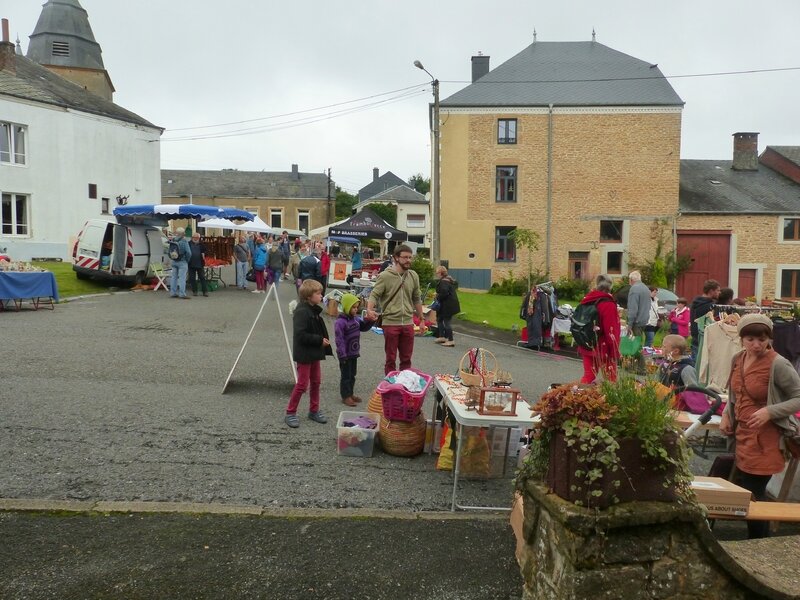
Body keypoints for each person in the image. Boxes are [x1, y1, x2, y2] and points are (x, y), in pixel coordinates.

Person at [719, 314, 800, 539]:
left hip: (766, 438)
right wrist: (727, 413)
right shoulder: (737, 359)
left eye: (762, 339)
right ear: (742, 338)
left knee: (753, 493)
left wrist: (769, 411)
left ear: (769, 339)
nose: (756, 345)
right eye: (751, 339)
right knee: (747, 490)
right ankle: (754, 541)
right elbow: (734, 393)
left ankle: (757, 543)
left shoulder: (778, 364)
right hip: (742, 434)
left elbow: (798, 397)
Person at [366, 244, 426, 375]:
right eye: (405, 257)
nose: (408, 260)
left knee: (406, 360)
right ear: (396, 258)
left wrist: (421, 320)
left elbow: (416, 298)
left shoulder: (413, 276)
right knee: (391, 359)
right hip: (391, 323)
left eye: (410, 257)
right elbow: (374, 294)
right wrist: (369, 310)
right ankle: (390, 387)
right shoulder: (385, 276)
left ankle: (404, 386)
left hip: (408, 323)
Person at [285, 279, 332, 428]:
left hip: (314, 353)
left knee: (316, 382)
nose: (321, 295)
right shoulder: (302, 312)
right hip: (305, 354)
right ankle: (290, 412)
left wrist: (320, 342)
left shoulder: (313, 309)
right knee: (302, 385)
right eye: (318, 293)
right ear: (308, 296)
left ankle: (314, 410)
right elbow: (300, 335)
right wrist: (319, 340)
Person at [577, 274, 620, 384]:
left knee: (588, 376)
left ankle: (576, 396)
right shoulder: (608, 304)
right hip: (603, 347)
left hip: (586, 342)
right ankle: (608, 401)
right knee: (611, 380)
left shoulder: (587, 300)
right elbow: (611, 331)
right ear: (610, 287)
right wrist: (615, 351)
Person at [334, 293, 375, 407]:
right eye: (353, 307)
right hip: (345, 354)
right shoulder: (340, 322)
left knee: (352, 374)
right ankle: (345, 396)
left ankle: (350, 393)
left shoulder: (356, 320)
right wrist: (342, 354)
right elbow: (339, 340)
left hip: (354, 353)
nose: (356, 309)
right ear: (346, 307)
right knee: (346, 376)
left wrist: (370, 321)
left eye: (357, 307)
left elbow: (364, 327)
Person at [690, 279, 721, 358]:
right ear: (711, 291)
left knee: (695, 367)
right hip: (705, 340)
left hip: (695, 338)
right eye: (717, 290)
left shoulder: (695, 303)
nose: (719, 293)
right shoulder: (711, 306)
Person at [626, 271, 650, 371]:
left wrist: (629, 324)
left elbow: (633, 308)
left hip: (637, 320)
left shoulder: (634, 289)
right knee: (636, 342)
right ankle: (632, 365)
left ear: (631, 280)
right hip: (644, 319)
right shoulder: (645, 288)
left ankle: (641, 368)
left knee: (635, 343)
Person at [434, 265, 460, 347]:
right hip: (447, 304)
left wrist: (437, 296)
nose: (436, 274)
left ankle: (451, 340)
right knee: (439, 319)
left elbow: (444, 293)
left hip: (448, 305)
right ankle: (442, 337)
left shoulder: (444, 282)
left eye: (437, 272)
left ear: (441, 273)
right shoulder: (448, 280)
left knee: (447, 322)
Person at [168, 227, 191, 300]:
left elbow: (169, 251)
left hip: (174, 261)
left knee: (174, 277)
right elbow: (188, 253)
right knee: (182, 278)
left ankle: (173, 293)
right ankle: (182, 294)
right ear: (183, 234)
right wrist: (187, 260)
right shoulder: (184, 241)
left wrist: (172, 258)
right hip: (182, 261)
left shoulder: (173, 240)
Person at [187, 233, 209, 297]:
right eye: (194, 237)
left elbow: (206, 251)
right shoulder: (188, 244)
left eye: (197, 238)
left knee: (202, 278)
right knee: (192, 278)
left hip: (200, 264)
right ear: (192, 237)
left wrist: (204, 254)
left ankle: (205, 291)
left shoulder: (202, 244)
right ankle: (195, 291)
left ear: (199, 238)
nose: (196, 238)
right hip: (191, 264)